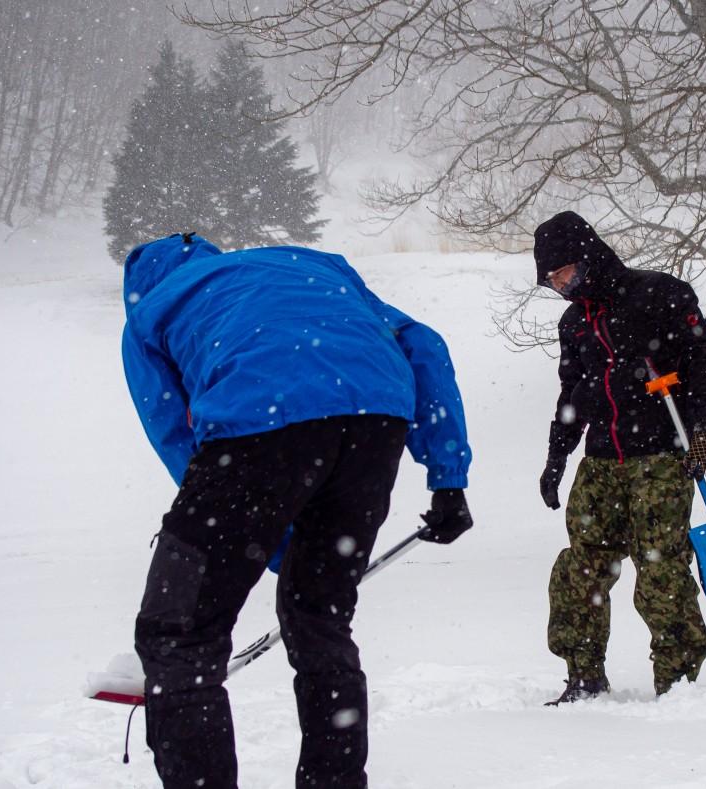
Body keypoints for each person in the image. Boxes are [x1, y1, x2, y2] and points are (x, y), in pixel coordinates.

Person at [121, 233, 473, 789]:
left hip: (254, 421)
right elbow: (423, 345)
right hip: (373, 422)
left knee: (179, 633)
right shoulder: (312, 265)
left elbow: (174, 431)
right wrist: (447, 477)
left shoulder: (153, 310)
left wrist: (257, 537)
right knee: (319, 619)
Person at [533, 211, 706, 705]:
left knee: (659, 570)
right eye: (553, 282)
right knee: (581, 569)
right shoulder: (574, 324)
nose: (562, 287)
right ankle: (584, 676)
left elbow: (705, 358)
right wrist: (558, 457)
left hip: (660, 457)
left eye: (565, 274)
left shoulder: (660, 293)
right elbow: (571, 394)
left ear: (588, 257)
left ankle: (678, 685)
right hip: (600, 461)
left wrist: (705, 429)